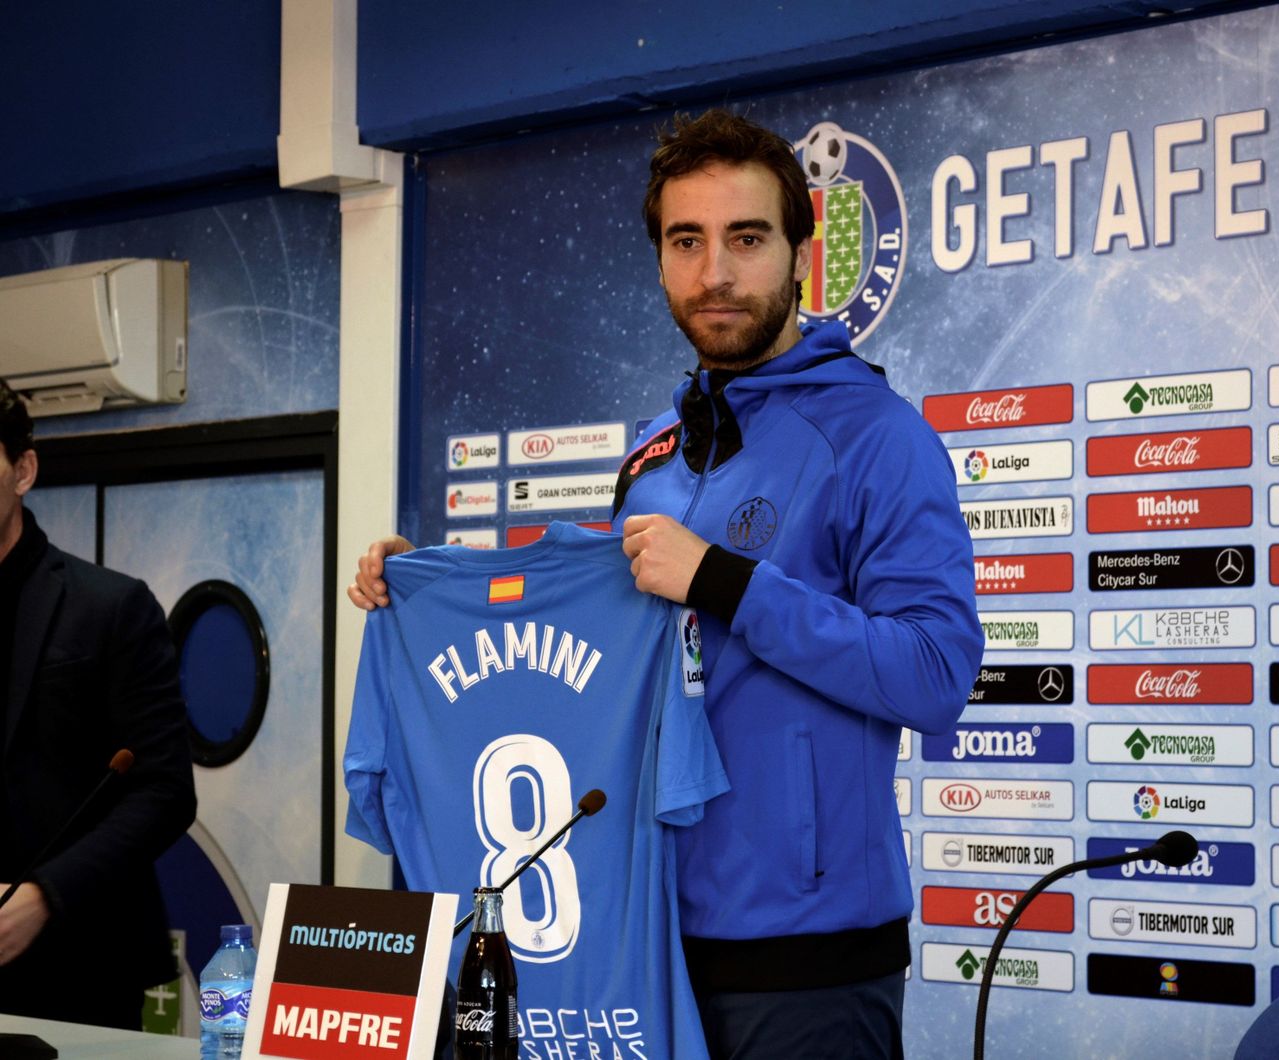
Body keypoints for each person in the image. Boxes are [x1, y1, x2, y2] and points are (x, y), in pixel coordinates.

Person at [350, 109, 982, 1058]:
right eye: (687, 241)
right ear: (659, 261)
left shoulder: (880, 438)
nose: (715, 272)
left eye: (747, 238)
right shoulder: (653, 455)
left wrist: (727, 581)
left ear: (801, 253)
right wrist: (422, 587)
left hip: (807, 962)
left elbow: (937, 673)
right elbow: (592, 660)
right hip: (636, 945)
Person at [0, 381, 197, 1030]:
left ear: (22, 470)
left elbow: (164, 791)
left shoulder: (110, 607)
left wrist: (43, 896)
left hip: (80, 964)